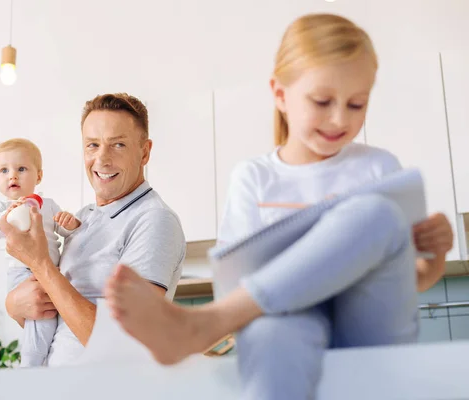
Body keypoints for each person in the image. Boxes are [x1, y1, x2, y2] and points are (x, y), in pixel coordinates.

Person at [103, 13, 454, 399]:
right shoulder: (254, 178)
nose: (340, 118)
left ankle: (203, 325)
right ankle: (210, 326)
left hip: (371, 335)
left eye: (357, 104)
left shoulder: (379, 167)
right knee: (272, 331)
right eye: (322, 101)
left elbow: (410, 280)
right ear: (280, 94)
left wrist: (434, 256)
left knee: (375, 213)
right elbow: (234, 285)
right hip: (288, 330)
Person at [0, 93, 186, 366]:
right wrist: (13, 304)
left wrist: (39, 263)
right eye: (92, 145)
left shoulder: (154, 220)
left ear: (144, 152)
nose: (102, 159)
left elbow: (123, 345)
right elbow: (57, 313)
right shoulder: (83, 219)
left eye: (118, 145)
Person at [0, 138, 80, 367]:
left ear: (38, 176)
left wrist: (71, 222)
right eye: (4, 170)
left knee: (55, 326)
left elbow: (70, 233)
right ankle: (30, 366)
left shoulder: (47, 205)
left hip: (50, 272)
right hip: (23, 274)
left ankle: (40, 364)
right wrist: (8, 215)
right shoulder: (1, 208)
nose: (12, 176)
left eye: (21, 169)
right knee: (41, 322)